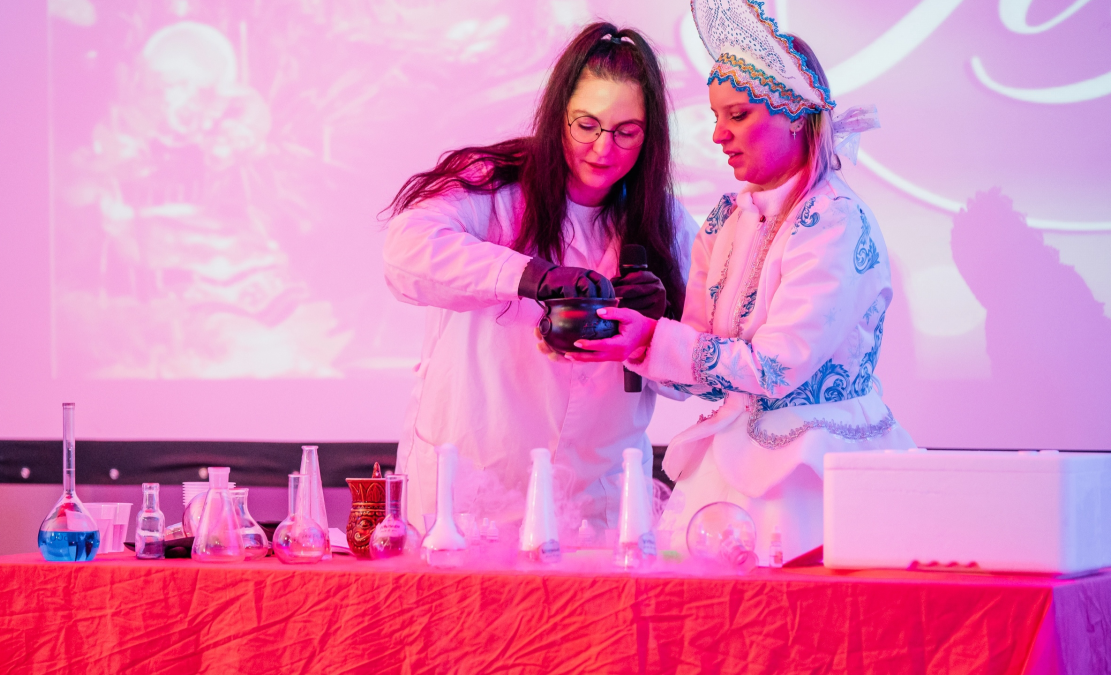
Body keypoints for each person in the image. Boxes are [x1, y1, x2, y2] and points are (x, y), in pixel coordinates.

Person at [571, 0, 916, 561]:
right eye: (716, 117)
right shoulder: (726, 219)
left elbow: (777, 368)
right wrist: (636, 341)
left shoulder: (835, 220)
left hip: (812, 474)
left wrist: (657, 339)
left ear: (794, 113)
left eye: (737, 115)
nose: (718, 135)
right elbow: (705, 370)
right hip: (728, 470)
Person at [383, 23, 698, 534]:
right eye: (586, 125)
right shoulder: (491, 184)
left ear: (650, 136)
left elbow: (700, 378)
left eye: (626, 132)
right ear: (558, 115)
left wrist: (656, 332)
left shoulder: (666, 222)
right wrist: (532, 275)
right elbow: (405, 255)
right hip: (475, 488)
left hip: (598, 499)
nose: (603, 149)